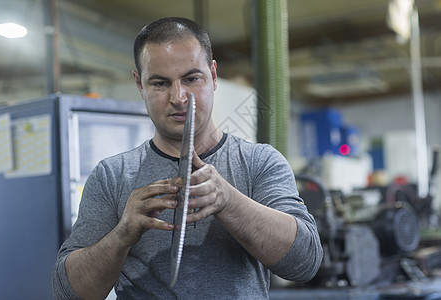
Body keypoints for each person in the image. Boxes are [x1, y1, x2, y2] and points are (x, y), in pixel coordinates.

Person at [52, 17, 322, 299]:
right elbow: (68, 293)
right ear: (139, 84)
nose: (178, 97)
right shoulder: (113, 175)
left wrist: (228, 201)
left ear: (213, 76)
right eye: (160, 83)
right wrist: (122, 235)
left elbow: (304, 263)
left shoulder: (260, 162)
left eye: (191, 79)